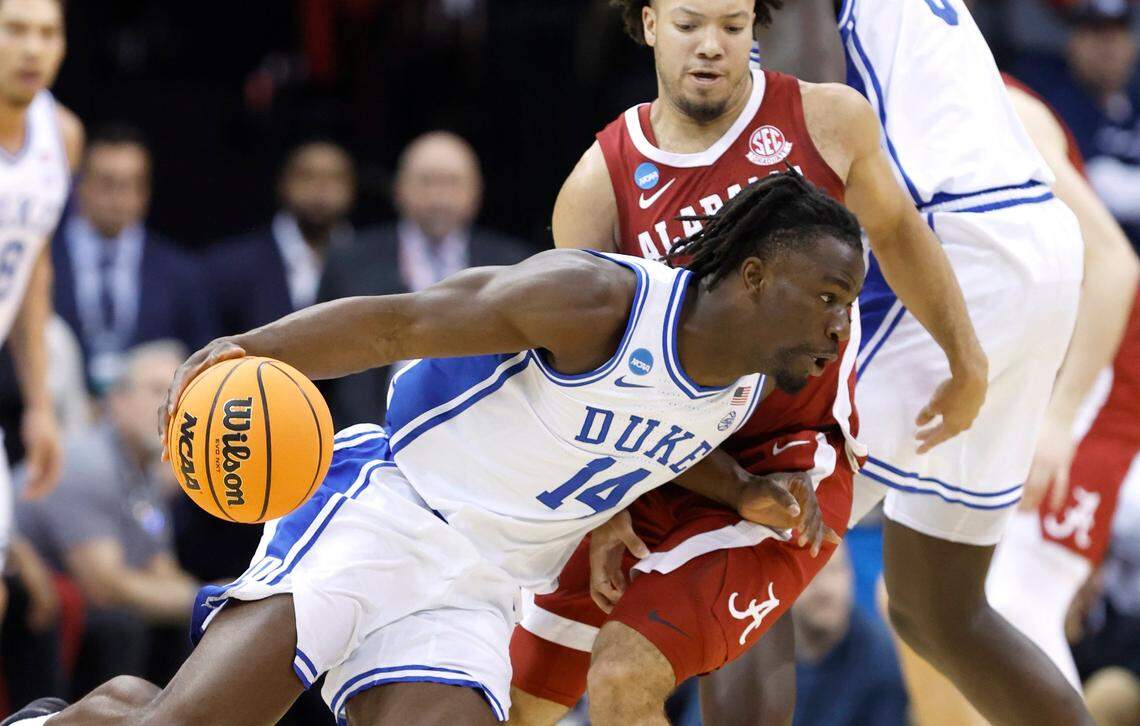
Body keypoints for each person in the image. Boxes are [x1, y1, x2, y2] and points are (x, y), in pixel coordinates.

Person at [0, 171, 864, 726]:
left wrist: (740, 487)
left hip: (483, 586)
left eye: (848, 304)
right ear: (754, 275)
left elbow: (663, 436)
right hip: (388, 511)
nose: (839, 325)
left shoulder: (743, 388)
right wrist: (246, 352)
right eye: (828, 296)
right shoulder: (600, 300)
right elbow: (398, 321)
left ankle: (117, 707)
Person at [507, 1, 986, 723]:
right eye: (691, 25)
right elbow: (577, 373)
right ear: (648, 24)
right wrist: (603, 512)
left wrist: (967, 360)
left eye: (732, 27)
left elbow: (899, 233)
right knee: (514, 702)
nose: (712, 47)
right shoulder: (599, 182)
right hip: (648, 465)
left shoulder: (827, 121)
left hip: (785, 473)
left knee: (621, 678)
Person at [827, 0, 1087, 723]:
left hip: (953, 249)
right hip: (1028, 250)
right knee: (938, 609)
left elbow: (799, 130)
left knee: (752, 540)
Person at [887, 72, 1140, 725]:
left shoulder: (998, 106)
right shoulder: (880, 102)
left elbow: (1116, 266)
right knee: (920, 606)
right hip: (1011, 374)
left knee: (1010, 601)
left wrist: (1059, 422)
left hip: (1090, 379)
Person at [15, 341, 199, 696]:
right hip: (33, 595)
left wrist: (219, 601)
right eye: (157, 390)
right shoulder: (89, 462)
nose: (173, 405)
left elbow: (159, 567)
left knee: (186, 628)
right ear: (117, 401)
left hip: (79, 595)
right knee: (123, 626)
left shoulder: (144, 470)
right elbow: (106, 585)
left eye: (182, 392)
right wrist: (210, 601)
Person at [317, 131, 530, 426]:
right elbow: (323, 363)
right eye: (427, 181)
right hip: (371, 439)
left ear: (476, 192)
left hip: (482, 437)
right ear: (399, 188)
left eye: (452, 183)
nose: (439, 197)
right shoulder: (350, 260)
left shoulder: (512, 262)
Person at [0, 0, 83, 619]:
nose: (33, 48)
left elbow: (33, 271)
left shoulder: (63, 134)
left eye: (47, 33)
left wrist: (39, 403)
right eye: (16, 30)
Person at [51, 124, 214, 393]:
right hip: (64, 412)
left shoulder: (180, 271)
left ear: (145, 192)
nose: (117, 197)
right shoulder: (44, 261)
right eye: (106, 183)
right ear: (79, 185)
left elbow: (205, 355)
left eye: (129, 185)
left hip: (151, 419)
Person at [1012, 0, 1140, 250]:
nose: (1108, 49)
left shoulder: (1133, 96)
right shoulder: (1056, 101)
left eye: (1116, 36)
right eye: (1097, 36)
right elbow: (1098, 185)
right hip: (1088, 252)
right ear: (1075, 43)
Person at [204, 139, 355, 337]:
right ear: (283, 183)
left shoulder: (375, 264)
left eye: (334, 178)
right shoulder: (228, 266)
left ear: (352, 188)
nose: (320, 188)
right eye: (307, 176)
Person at [789, 544, 907, 726]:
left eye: (835, 570)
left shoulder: (883, 660)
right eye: (812, 573)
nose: (826, 589)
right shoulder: (755, 650)